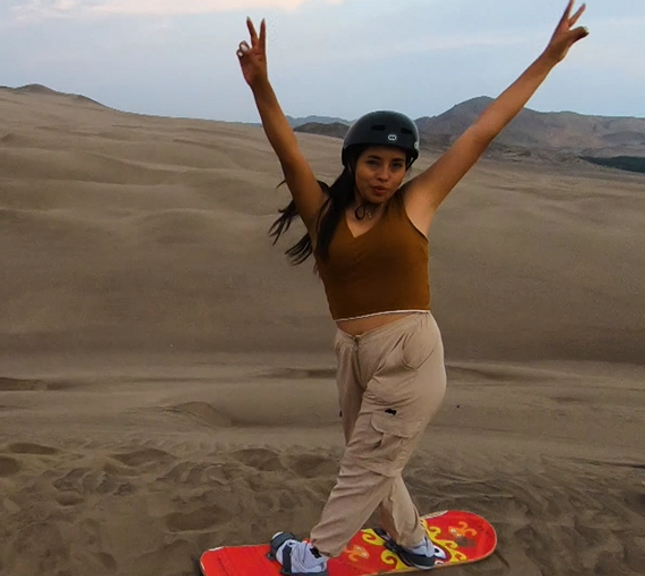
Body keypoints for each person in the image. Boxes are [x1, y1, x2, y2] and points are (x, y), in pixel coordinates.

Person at [235, 2, 588, 574]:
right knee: (375, 457)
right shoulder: (321, 212)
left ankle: (314, 556)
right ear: (353, 163)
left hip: (408, 351)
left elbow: (482, 131)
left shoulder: (417, 203)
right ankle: (414, 542)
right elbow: (287, 148)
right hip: (352, 352)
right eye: (374, 162)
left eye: (397, 165)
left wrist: (547, 59)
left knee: (367, 462)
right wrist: (261, 87)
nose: (385, 174)